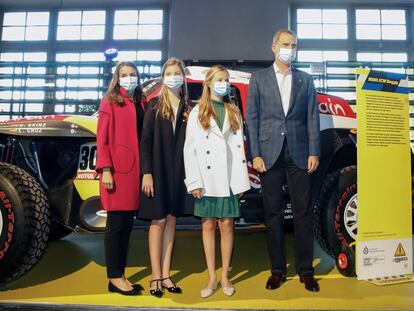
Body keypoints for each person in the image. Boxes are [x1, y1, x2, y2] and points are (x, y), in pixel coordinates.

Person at [246, 29, 321, 292]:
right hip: (268, 154)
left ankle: (305, 270)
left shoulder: (305, 80)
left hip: (300, 153)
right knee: (273, 213)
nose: (290, 48)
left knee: (302, 212)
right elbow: (251, 119)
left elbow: (313, 118)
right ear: (274, 47)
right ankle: (277, 269)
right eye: (286, 44)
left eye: (294, 45)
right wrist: (254, 153)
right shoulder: (258, 79)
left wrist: (315, 151)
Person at [184, 65, 250, 298]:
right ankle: (212, 276)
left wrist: (241, 180)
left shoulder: (234, 111)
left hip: (229, 178)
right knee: (208, 224)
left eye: (226, 79)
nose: (224, 83)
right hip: (207, 178)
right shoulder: (197, 112)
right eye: (219, 79)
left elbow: (238, 149)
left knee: (227, 225)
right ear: (208, 83)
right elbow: (189, 149)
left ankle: (225, 275)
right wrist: (194, 181)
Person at [138, 58, 194, 298]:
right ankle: (155, 275)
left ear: (183, 77)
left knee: (172, 221)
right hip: (157, 172)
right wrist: (147, 173)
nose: (173, 76)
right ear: (163, 77)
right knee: (157, 222)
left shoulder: (189, 108)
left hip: (179, 173)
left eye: (177, 73)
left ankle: (166, 273)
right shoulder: (153, 106)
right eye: (169, 73)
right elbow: (146, 141)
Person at [96, 61, 145, 296]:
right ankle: (114, 278)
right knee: (115, 227)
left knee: (126, 227)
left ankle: (120, 274)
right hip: (116, 172)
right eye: (124, 74)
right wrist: (105, 168)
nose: (129, 78)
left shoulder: (140, 102)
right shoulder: (110, 101)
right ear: (117, 78)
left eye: (132, 74)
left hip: (134, 173)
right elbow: (102, 137)